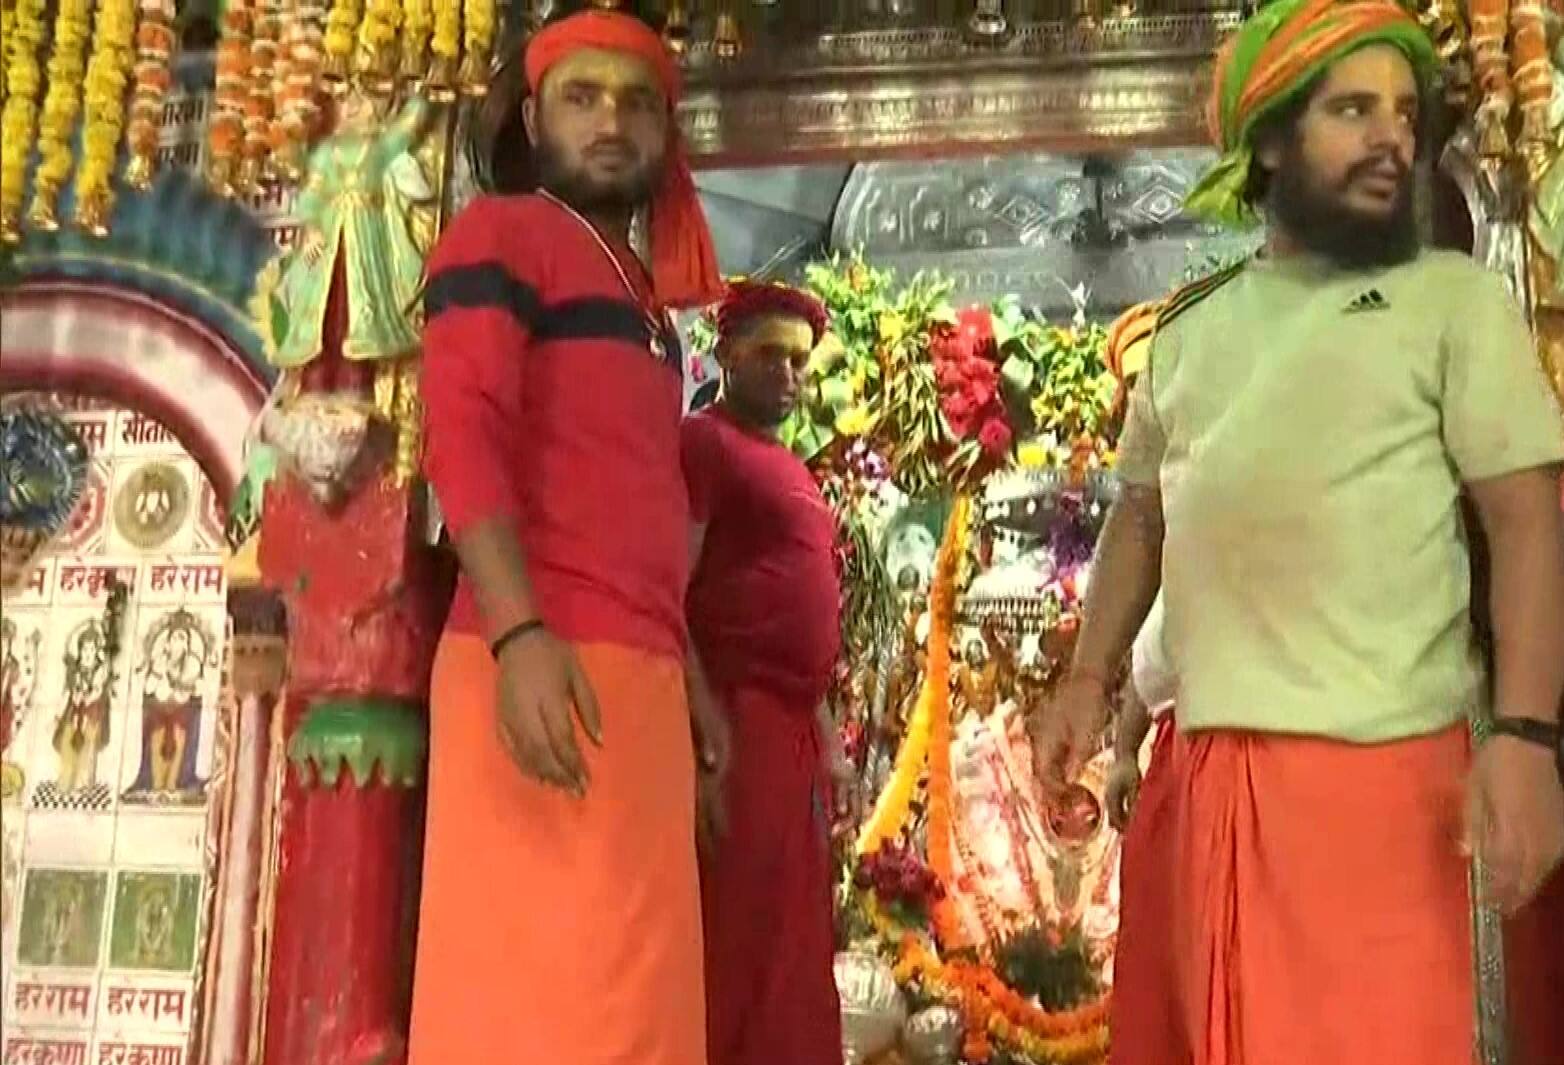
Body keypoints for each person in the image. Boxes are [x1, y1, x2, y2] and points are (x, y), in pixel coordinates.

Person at [1029, 0, 1564, 1060]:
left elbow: (1528, 522)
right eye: (1352, 110)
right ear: (1267, 139)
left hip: (1387, 792)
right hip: (1210, 786)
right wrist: (1086, 682)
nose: (1391, 141)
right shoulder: (1188, 330)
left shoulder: (1451, 305)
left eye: (1405, 115)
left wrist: (1527, 739)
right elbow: (1141, 519)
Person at [409, 12, 724, 1065]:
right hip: (540, 667)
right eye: (582, 97)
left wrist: (688, 680)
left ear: (667, 135)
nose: (611, 121)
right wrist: (516, 635)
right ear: (534, 116)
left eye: (637, 102)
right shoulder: (499, 233)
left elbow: (632, 501)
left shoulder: (647, 307)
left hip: (635, 688)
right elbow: (461, 437)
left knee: (638, 1013)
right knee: (541, 1012)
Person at [683, 280, 851, 1065]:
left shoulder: (789, 464)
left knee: (794, 940)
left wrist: (829, 738)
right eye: (770, 357)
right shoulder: (703, 443)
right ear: (724, 355)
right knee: (740, 940)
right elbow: (667, 589)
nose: (787, 376)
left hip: (791, 733)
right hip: (737, 719)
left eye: (799, 363)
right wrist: (704, 726)